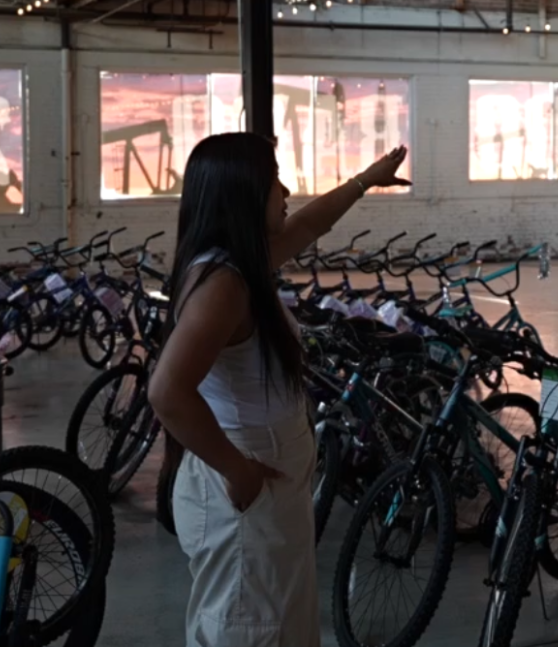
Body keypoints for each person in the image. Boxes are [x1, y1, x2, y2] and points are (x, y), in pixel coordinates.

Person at [148, 132, 410, 647]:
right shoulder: (223, 284)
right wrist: (236, 467)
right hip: (247, 489)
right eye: (274, 182)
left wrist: (365, 180)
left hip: (265, 487)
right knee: (250, 630)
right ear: (245, 193)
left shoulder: (240, 261)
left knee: (270, 622)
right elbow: (168, 391)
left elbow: (309, 223)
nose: (286, 190)